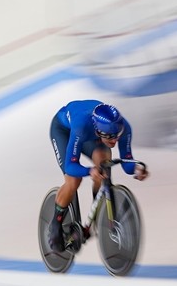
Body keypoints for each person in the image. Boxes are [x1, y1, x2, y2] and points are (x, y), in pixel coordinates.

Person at [47, 100, 149, 251]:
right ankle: (55, 223)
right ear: (99, 132)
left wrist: (136, 169)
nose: (115, 140)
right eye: (110, 137)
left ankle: (98, 214)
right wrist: (89, 171)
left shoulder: (123, 127)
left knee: (103, 165)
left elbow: (126, 161)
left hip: (88, 134)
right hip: (64, 131)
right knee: (74, 180)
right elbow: (70, 166)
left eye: (117, 136)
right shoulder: (82, 126)